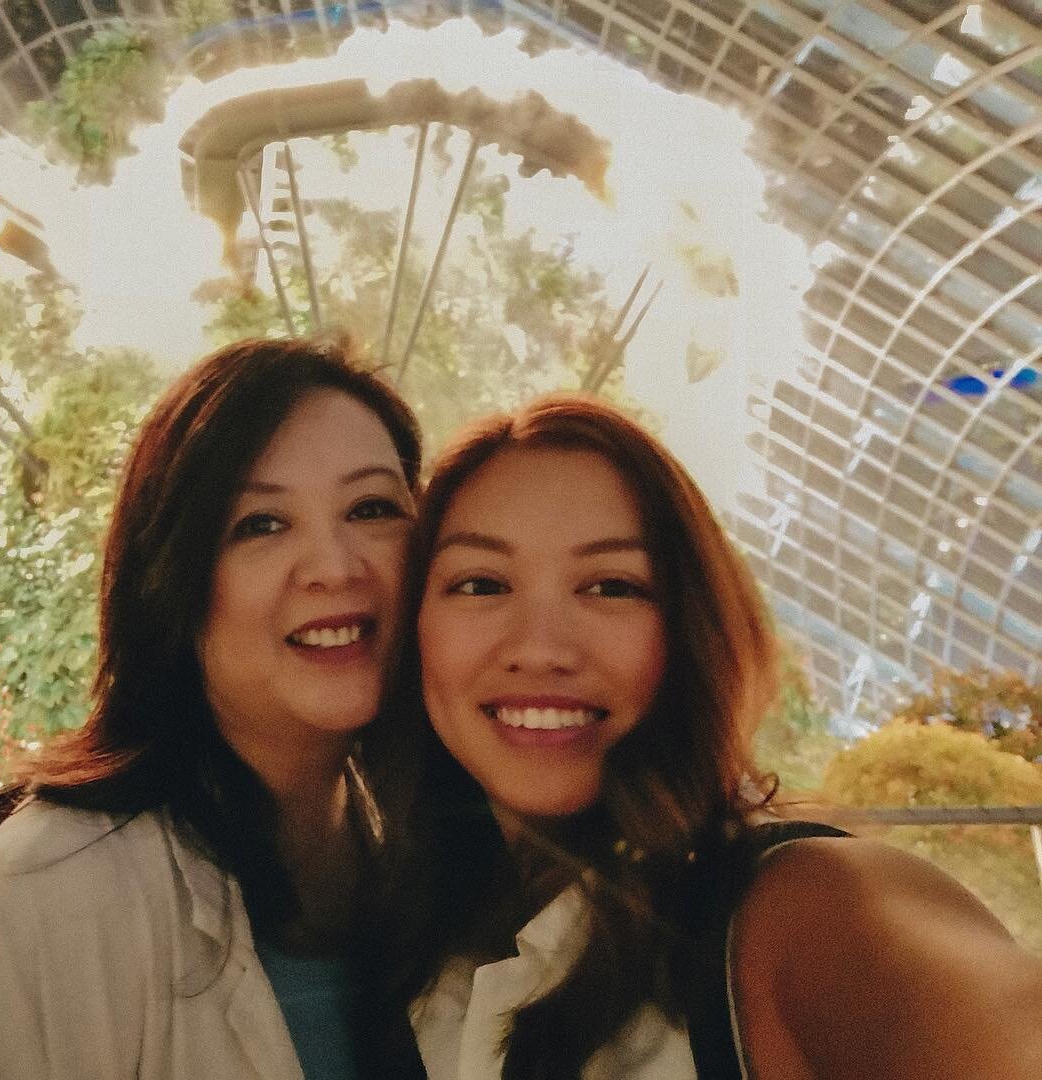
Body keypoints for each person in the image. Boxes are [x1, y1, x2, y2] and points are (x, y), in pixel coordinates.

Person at [381, 394, 1042, 1080]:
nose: (541, 648)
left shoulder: (806, 912)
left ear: (691, 629)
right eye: (481, 583)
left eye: (611, 586)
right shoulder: (425, 962)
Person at [0, 337, 423, 1080]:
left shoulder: (445, 862)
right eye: (261, 524)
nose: (335, 566)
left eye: (373, 508)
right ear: (174, 580)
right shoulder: (54, 887)